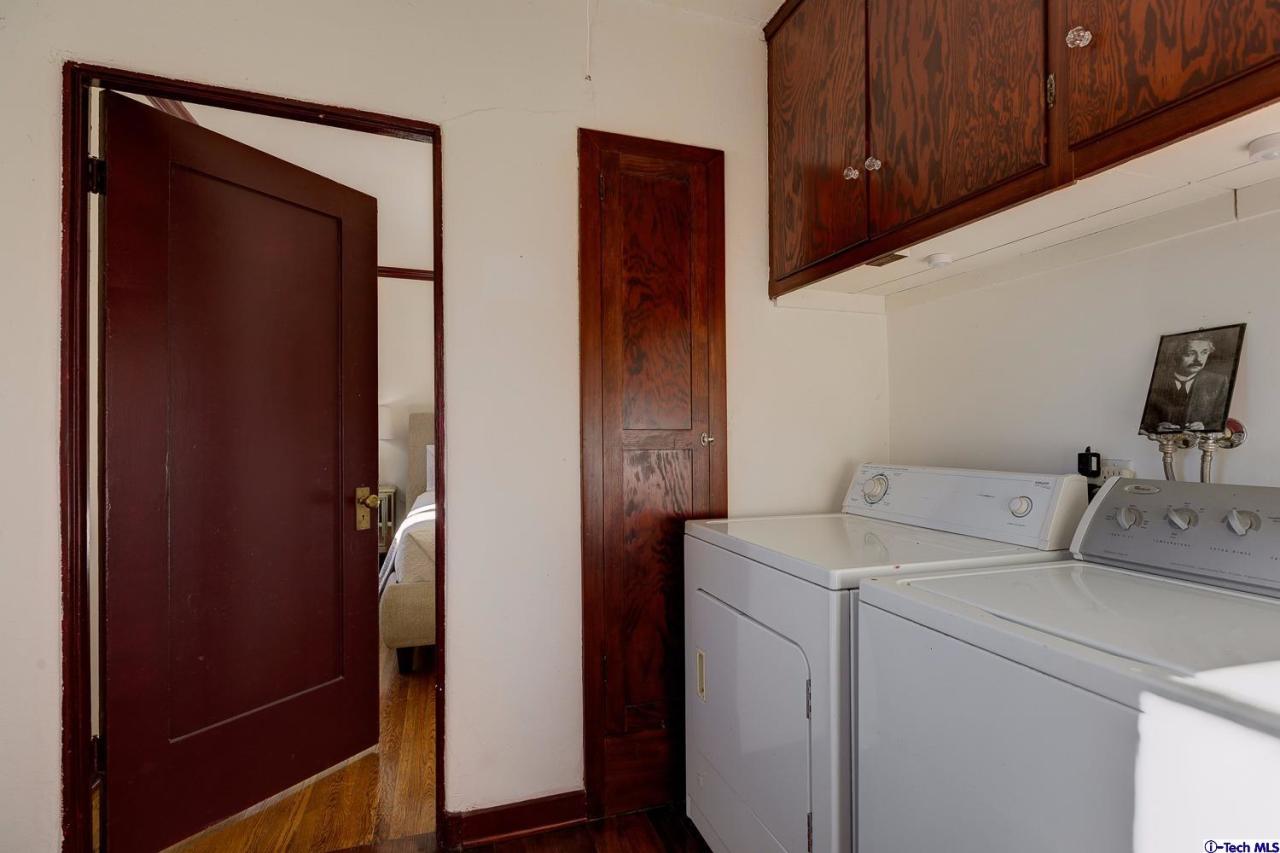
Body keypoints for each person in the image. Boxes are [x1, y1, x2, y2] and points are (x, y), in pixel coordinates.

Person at [1142, 336, 1229, 432]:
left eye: (1204, 353)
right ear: (1175, 355)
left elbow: (1221, 420)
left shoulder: (1219, 382)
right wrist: (1155, 427)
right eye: (1190, 353)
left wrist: (1205, 428)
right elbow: (1142, 419)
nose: (1198, 359)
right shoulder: (1156, 380)